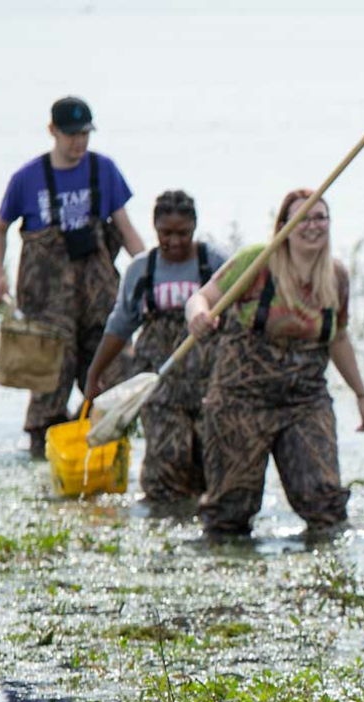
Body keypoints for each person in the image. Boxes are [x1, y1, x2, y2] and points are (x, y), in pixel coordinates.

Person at [184, 189, 364, 536]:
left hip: (305, 402)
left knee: (325, 504)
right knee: (230, 512)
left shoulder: (336, 277)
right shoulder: (257, 261)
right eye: (302, 219)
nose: (312, 227)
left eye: (320, 218)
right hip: (239, 401)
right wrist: (198, 316)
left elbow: (339, 338)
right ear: (283, 225)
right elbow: (202, 297)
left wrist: (361, 395)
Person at [0, 96, 148, 458]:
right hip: (48, 308)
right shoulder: (27, 179)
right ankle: (46, 448)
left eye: (85, 134)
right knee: (49, 384)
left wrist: (150, 270)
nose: (79, 142)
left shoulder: (103, 170)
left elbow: (126, 230)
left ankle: (88, 434)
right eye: (71, 134)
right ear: (52, 131)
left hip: (99, 301)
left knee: (118, 374)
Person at [85, 190, 227, 505]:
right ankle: (166, 526)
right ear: (154, 228)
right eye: (166, 233)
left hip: (210, 382)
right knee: (167, 463)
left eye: (183, 233)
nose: (174, 241)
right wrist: (95, 374)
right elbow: (119, 326)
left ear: (195, 227)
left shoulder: (215, 264)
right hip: (159, 383)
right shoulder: (142, 269)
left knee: (212, 463)